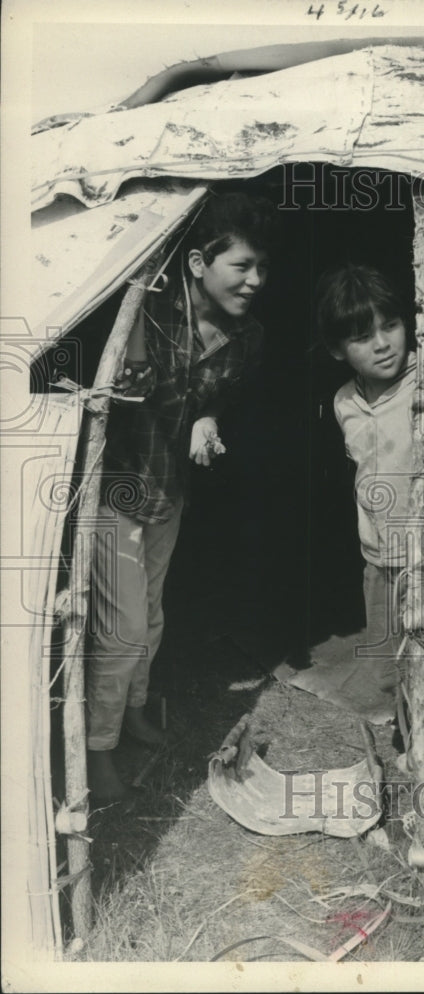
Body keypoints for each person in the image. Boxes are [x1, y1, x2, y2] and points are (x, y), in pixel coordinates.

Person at [87, 191, 279, 803]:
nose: (254, 281)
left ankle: (135, 712)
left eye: (262, 269)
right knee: (120, 632)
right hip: (115, 490)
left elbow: (215, 395)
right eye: (241, 266)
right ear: (198, 263)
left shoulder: (247, 339)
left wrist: (207, 418)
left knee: (152, 612)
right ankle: (95, 750)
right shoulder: (145, 309)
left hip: (169, 490)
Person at [316, 264, 423, 697]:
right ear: (338, 349)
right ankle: (408, 727)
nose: (382, 344)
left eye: (391, 326)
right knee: (388, 667)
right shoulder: (344, 402)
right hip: (378, 558)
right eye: (362, 337)